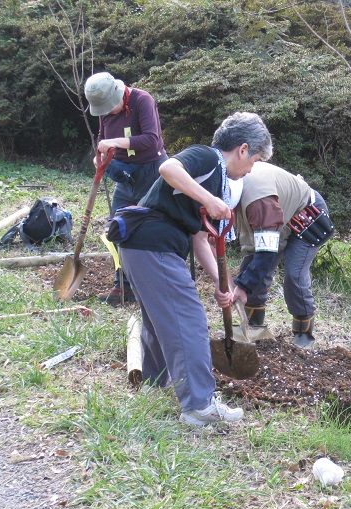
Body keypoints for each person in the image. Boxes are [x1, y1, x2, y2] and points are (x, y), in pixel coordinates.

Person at [117, 112, 273, 426]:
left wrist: (222, 283)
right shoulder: (208, 158)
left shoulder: (217, 179)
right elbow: (168, 167)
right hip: (152, 243)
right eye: (254, 159)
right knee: (188, 319)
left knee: (160, 319)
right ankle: (200, 406)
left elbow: (202, 240)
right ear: (242, 149)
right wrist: (208, 199)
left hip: (144, 246)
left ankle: (156, 384)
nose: (252, 168)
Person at [218, 161, 332, 350]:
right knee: (250, 267)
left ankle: (304, 333)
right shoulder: (230, 184)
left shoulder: (258, 201)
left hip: (306, 214)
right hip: (279, 214)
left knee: (294, 274)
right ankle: (253, 325)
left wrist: (243, 287)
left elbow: (267, 252)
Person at [84, 71, 168, 306]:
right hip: (125, 171)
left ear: (118, 94)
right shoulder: (104, 109)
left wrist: (115, 143)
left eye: (110, 107)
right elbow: (103, 137)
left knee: (149, 227)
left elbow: (152, 139)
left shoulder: (143, 100)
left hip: (152, 169)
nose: (107, 113)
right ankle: (124, 285)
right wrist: (99, 155)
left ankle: (155, 283)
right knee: (117, 227)